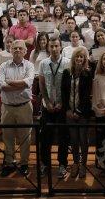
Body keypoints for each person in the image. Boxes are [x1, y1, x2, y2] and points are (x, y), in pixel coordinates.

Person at [0, 39, 34, 177]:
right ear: (10, 50)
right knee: (8, 136)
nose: (17, 50)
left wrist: (10, 83)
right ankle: (10, 162)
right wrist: (20, 84)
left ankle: (24, 163)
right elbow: (0, 86)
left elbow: (28, 83)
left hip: (24, 106)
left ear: (25, 51)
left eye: (20, 48)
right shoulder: (3, 66)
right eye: (15, 48)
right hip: (7, 107)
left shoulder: (29, 65)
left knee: (25, 137)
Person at [39, 36, 70, 178]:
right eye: (51, 46)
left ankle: (62, 164)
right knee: (45, 137)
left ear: (61, 47)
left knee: (63, 137)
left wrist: (62, 103)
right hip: (48, 106)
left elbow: (69, 87)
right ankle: (45, 164)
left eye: (56, 46)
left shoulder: (67, 63)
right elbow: (41, 85)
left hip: (62, 106)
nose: (54, 49)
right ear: (48, 47)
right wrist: (47, 102)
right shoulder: (43, 63)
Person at [61, 47, 92, 178]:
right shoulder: (67, 72)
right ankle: (75, 163)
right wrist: (67, 110)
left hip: (83, 112)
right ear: (73, 58)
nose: (79, 59)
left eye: (82, 57)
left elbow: (86, 95)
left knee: (83, 139)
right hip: (69, 112)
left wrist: (78, 112)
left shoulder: (88, 73)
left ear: (85, 59)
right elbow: (63, 93)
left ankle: (83, 164)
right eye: (77, 57)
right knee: (73, 139)